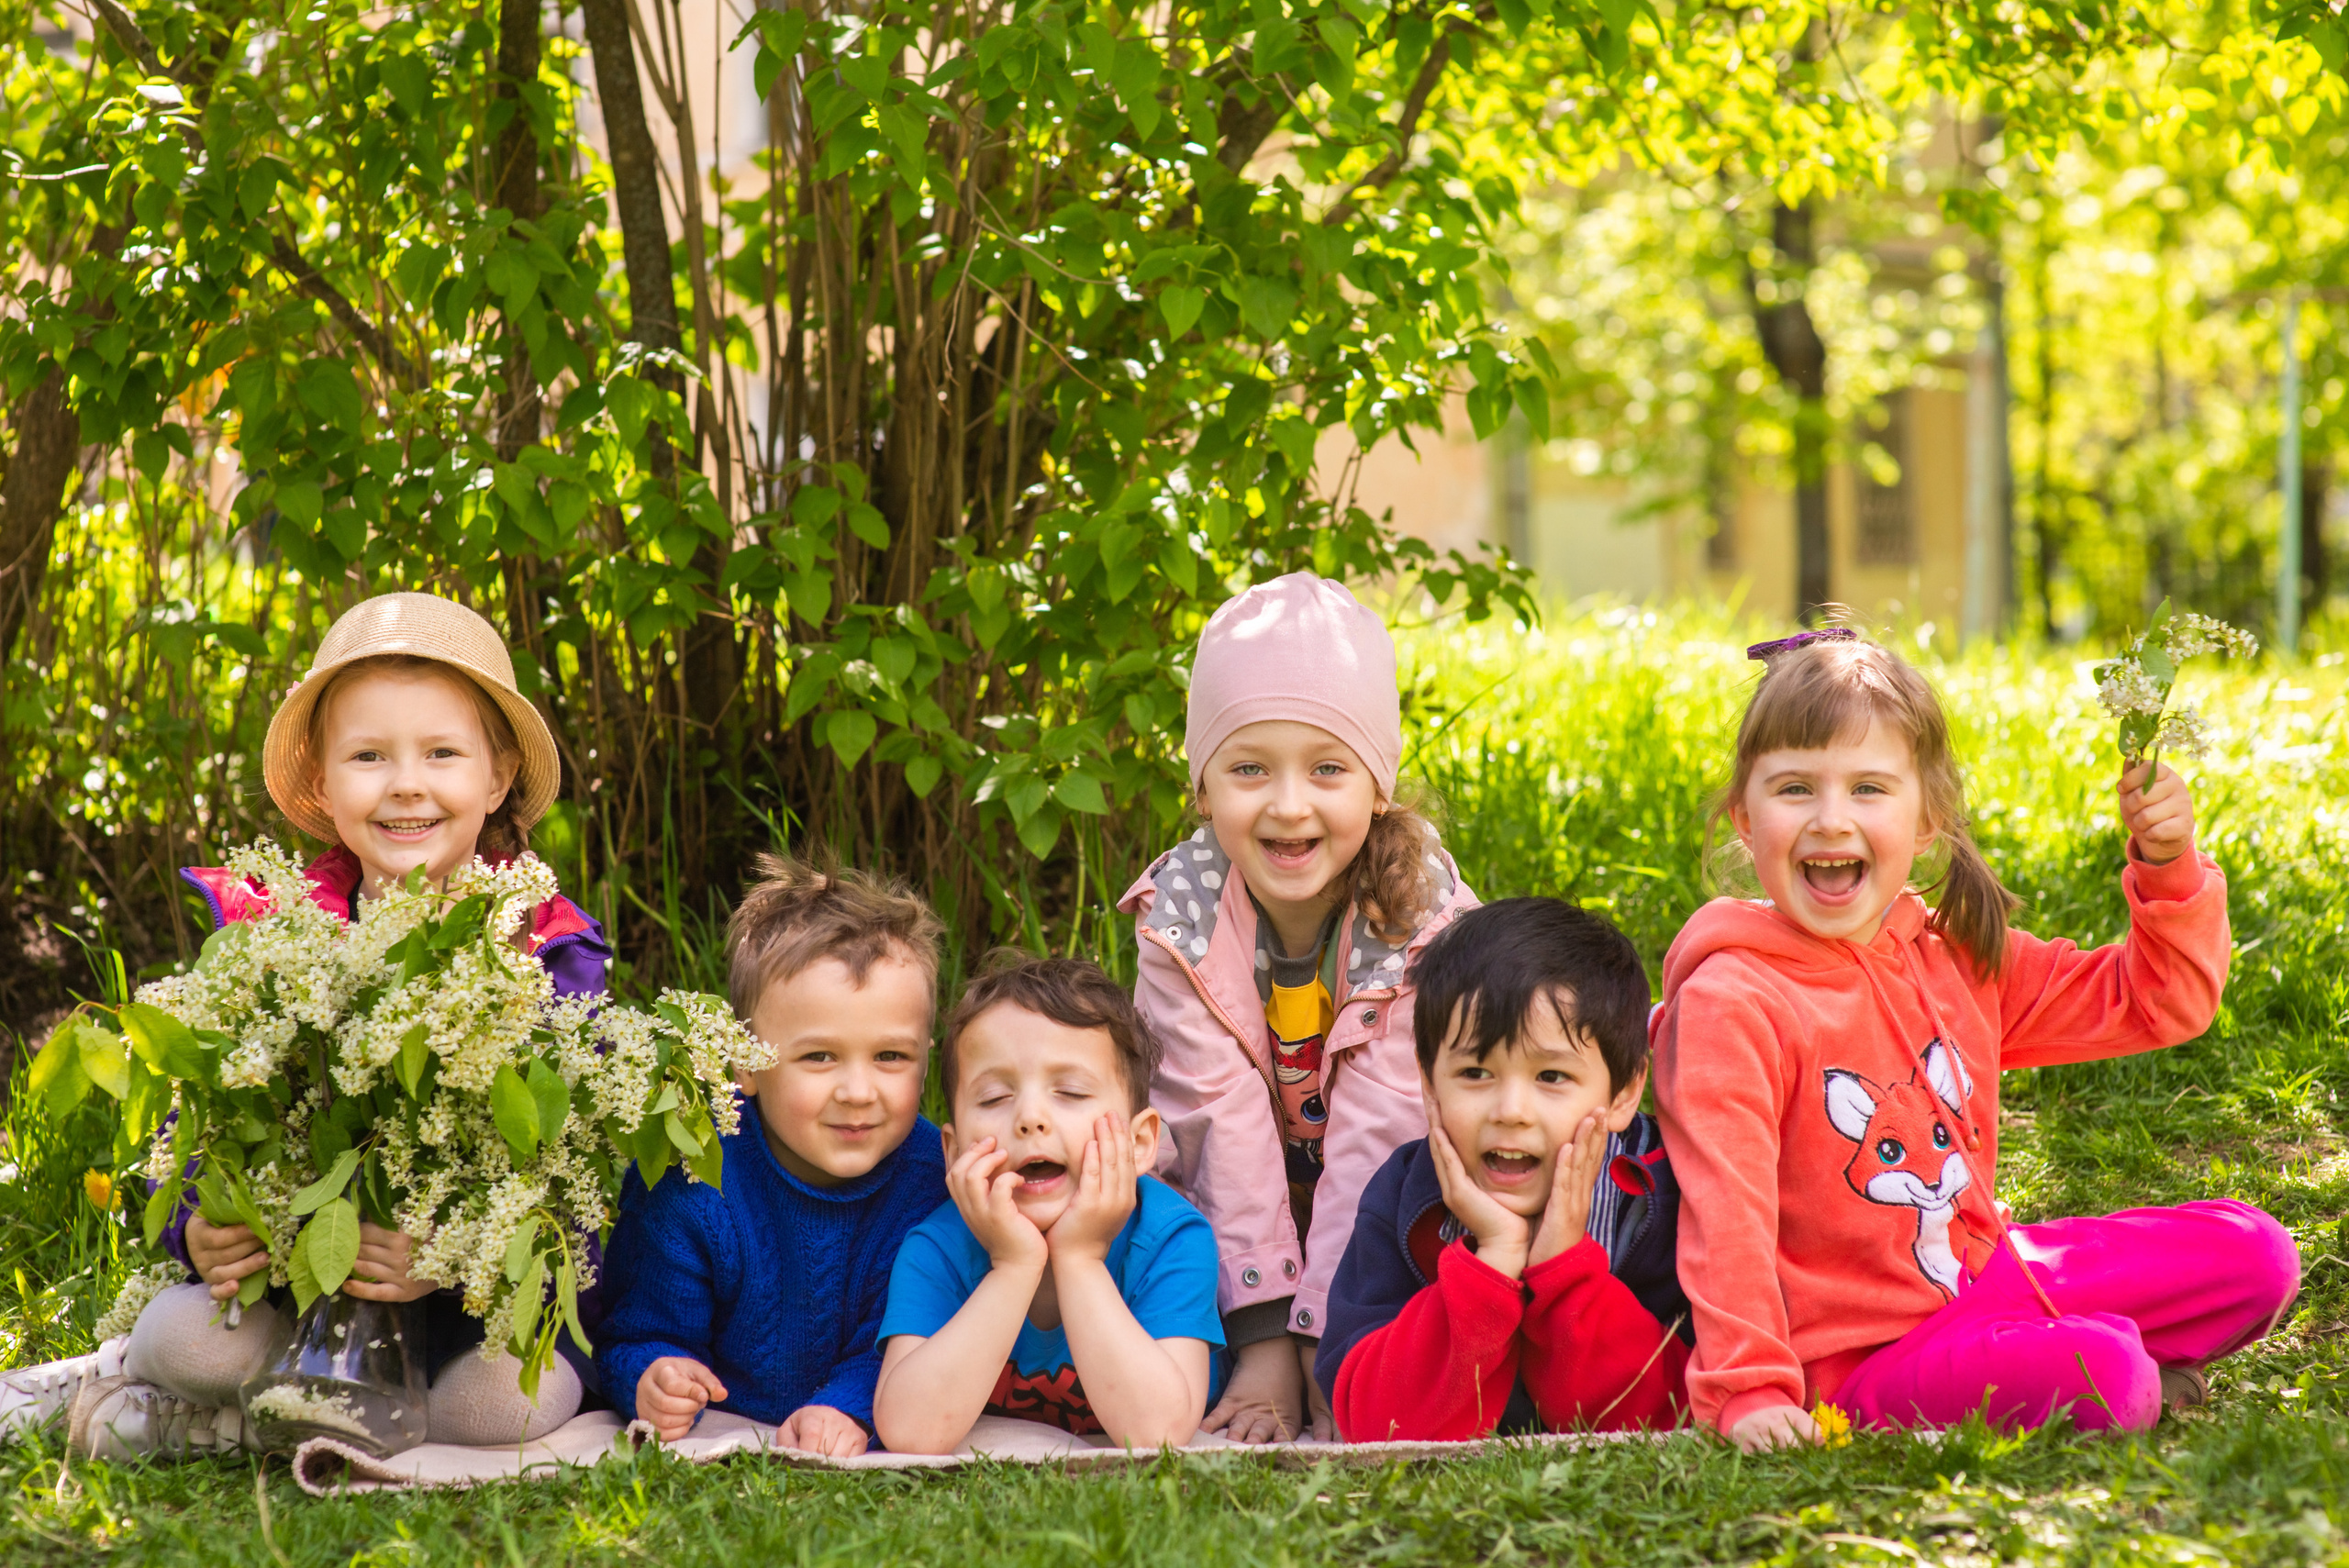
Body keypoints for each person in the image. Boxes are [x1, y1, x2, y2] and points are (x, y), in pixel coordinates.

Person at [1653, 628, 2299, 1451]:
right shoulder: (1734, 998)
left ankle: (2051, 1359)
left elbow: (2158, 1000)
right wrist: (1750, 1390)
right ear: (1746, 818)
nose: (1830, 818)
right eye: (1794, 787)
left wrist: (2168, 863)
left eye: (1869, 788)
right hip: (1860, 1361)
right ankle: (2083, 1366)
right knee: (2116, 1378)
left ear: (1927, 820)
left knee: (2257, 1256)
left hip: (1989, 1277)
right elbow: (1725, 1212)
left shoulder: (1951, 955)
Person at [6, 592, 615, 1458]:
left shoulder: (548, 952)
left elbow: (579, 1171)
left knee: (511, 1402)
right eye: (370, 755)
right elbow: (199, 1126)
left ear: (498, 773)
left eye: (442, 752)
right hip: (287, 1301)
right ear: (325, 783)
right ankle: (171, 1385)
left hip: (459, 1316)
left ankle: (233, 1427)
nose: (407, 782)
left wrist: (458, 1253)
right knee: (188, 1339)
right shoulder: (275, 935)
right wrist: (196, 1227)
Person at [1118, 573, 1476, 1442]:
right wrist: (1271, 1338)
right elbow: (1213, 1120)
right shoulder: (1184, 921)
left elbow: (1382, 1130)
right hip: (1233, 1220)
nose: (1288, 804)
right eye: (1248, 768)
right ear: (1203, 789)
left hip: (1392, 1214)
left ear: (1378, 782)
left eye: (1327, 768)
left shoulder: (1419, 917)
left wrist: (1332, 1336)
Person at [596, 856, 949, 1457]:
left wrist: (847, 1405)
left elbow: (912, 1337)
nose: (858, 1090)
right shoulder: (696, 1169)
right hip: (726, 1407)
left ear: (927, 1056)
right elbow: (637, 1328)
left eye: (891, 1056)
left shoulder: (931, 1179)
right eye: (819, 1057)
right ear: (747, 1064)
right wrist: (655, 1377)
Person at [1317, 898, 1691, 1440]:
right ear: (1429, 1084)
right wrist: (1491, 1260)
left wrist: (1565, 1271)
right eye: (1475, 1072)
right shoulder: (1405, 1198)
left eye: (1552, 1077)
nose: (1510, 1112)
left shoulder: (1659, 1198)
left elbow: (1674, 1415)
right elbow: (1377, 1424)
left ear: (1625, 1092)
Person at [873, 957, 1223, 1453]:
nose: (1030, 1118)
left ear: (1141, 1141)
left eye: (1071, 1092)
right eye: (994, 1098)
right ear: (952, 1152)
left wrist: (1080, 1258)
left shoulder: (1170, 1238)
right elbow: (910, 1433)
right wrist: (1013, 1266)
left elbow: (1156, 1434)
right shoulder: (938, 1247)